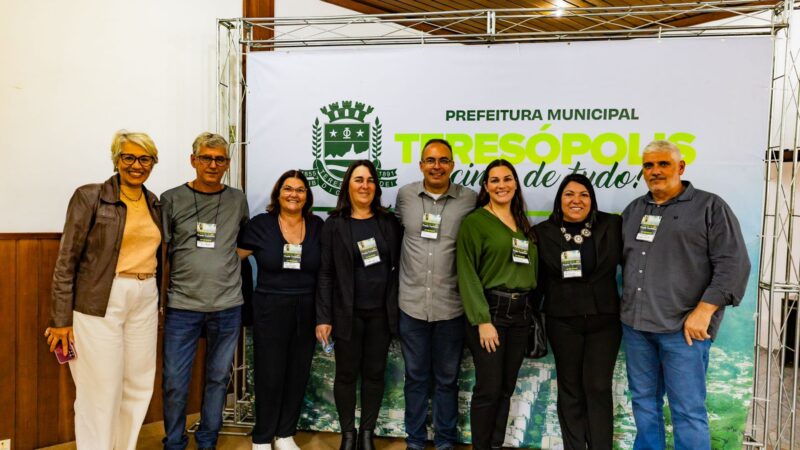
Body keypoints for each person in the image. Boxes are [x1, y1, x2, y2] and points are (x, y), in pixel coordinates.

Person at [621, 140, 750, 450]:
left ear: (680, 167)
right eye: (648, 165)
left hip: (684, 330)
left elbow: (734, 264)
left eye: (663, 164)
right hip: (637, 328)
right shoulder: (634, 210)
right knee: (643, 404)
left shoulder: (710, 207)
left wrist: (704, 312)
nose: (655, 171)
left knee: (687, 411)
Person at [46, 130, 161, 450]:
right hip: (100, 299)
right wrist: (60, 319)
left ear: (153, 162)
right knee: (99, 388)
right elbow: (66, 260)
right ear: (116, 160)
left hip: (145, 296)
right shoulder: (89, 196)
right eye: (128, 157)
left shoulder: (154, 202)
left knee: (138, 384)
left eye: (145, 158)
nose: (136, 165)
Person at [160, 132, 249, 450]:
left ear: (227, 164)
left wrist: (226, 260)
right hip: (182, 306)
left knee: (218, 378)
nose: (213, 164)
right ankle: (174, 442)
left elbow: (246, 240)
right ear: (193, 160)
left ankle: (208, 441)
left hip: (227, 305)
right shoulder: (171, 199)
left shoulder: (237, 199)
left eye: (219, 159)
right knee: (174, 380)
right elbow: (161, 250)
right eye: (206, 158)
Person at [315, 160, 403, 450]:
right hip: (346, 314)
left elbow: (399, 267)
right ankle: (348, 434)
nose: (365, 185)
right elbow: (325, 273)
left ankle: (367, 434)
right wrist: (323, 317)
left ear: (376, 186)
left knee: (374, 375)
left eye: (370, 180)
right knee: (345, 375)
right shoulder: (334, 224)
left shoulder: (389, 223)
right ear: (348, 186)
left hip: (381, 315)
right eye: (358, 180)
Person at [395, 139, 476, 450]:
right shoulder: (405, 196)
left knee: (446, 381)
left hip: (451, 307)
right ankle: (415, 441)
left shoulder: (469, 199)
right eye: (430, 160)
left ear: (452, 165)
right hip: (412, 306)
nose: (437, 166)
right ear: (421, 165)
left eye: (443, 160)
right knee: (415, 379)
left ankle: (444, 441)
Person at [534, 174, 622, 450]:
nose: (577, 200)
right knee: (570, 389)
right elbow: (537, 280)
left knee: (598, 387)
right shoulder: (542, 232)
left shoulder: (611, 225)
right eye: (569, 194)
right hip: (563, 321)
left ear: (592, 199)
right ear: (560, 199)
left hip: (604, 320)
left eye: (584, 194)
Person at [238, 170, 324, 450]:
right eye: (288, 188)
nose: (293, 194)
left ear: (307, 196)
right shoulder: (260, 225)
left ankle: (285, 434)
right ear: (278, 193)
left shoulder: (317, 226)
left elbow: (327, 271)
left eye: (300, 190)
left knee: (298, 373)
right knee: (269, 374)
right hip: (270, 308)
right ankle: (263, 437)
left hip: (307, 308)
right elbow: (234, 260)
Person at [456, 159, 538, 450]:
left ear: (515, 184)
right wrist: (483, 320)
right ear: (486, 186)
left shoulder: (522, 223)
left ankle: (495, 444)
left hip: (520, 315)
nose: (501, 185)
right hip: (491, 312)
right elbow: (467, 273)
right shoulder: (476, 222)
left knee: (505, 389)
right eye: (495, 180)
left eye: (507, 179)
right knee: (489, 389)